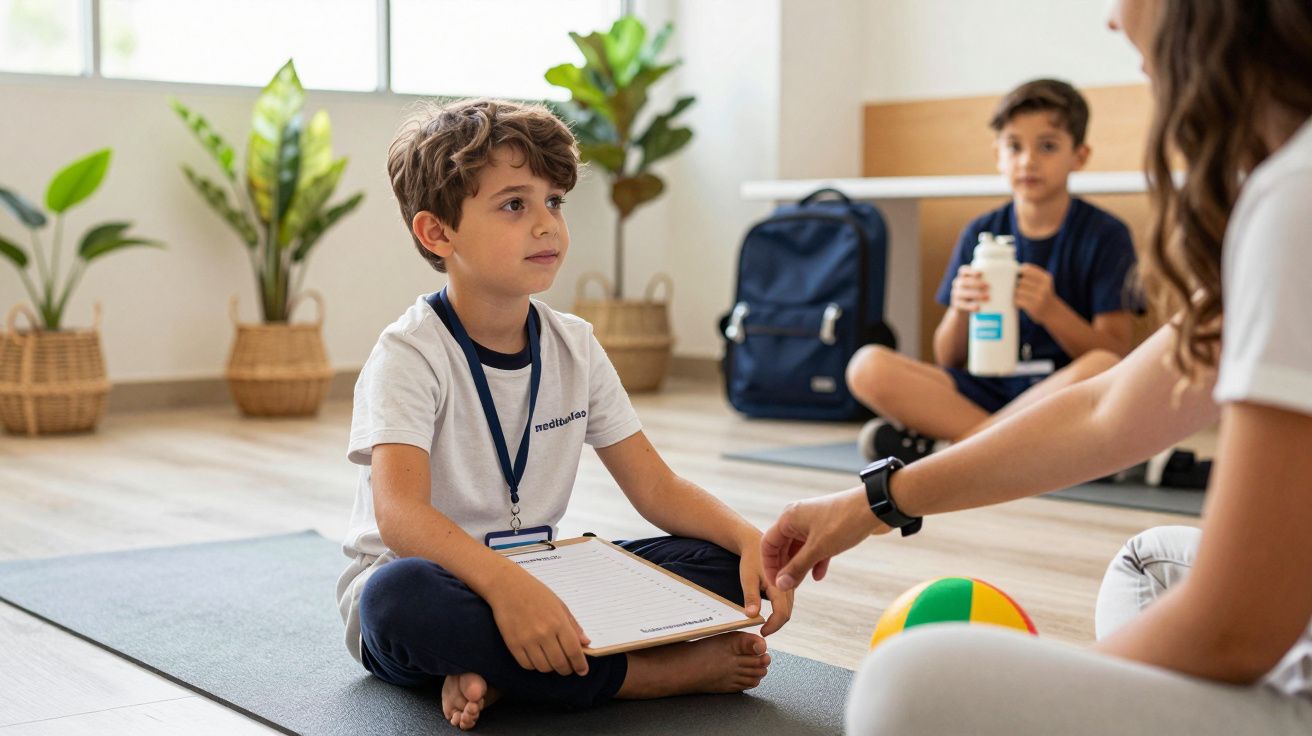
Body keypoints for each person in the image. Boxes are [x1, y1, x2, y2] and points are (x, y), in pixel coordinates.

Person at [763, 1, 1312, 733]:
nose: (1114, 21)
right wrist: (873, 501)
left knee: (903, 683)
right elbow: (1106, 408)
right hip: (1003, 396)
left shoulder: (1290, 201)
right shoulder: (1284, 189)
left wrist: (1066, 689)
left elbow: (1238, 625)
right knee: (1145, 560)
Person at [336, 99, 790, 731]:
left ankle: (501, 675)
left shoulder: (574, 343)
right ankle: (647, 677)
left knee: (718, 564)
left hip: (541, 576)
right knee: (397, 601)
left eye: (555, 202)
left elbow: (655, 488)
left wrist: (748, 541)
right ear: (438, 233)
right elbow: (401, 515)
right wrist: (504, 587)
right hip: (439, 583)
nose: (547, 225)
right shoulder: (408, 354)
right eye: (515, 205)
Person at [847, 79, 1140, 464]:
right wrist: (960, 309)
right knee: (867, 366)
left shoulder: (1106, 235)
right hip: (986, 388)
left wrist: (1051, 310)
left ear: (1080, 156)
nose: (1028, 161)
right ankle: (1012, 451)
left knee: (1102, 367)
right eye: (1014, 146)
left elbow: (1117, 355)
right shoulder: (980, 233)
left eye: (1048, 146)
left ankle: (959, 449)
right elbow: (947, 357)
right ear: (998, 155)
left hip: (1056, 393)